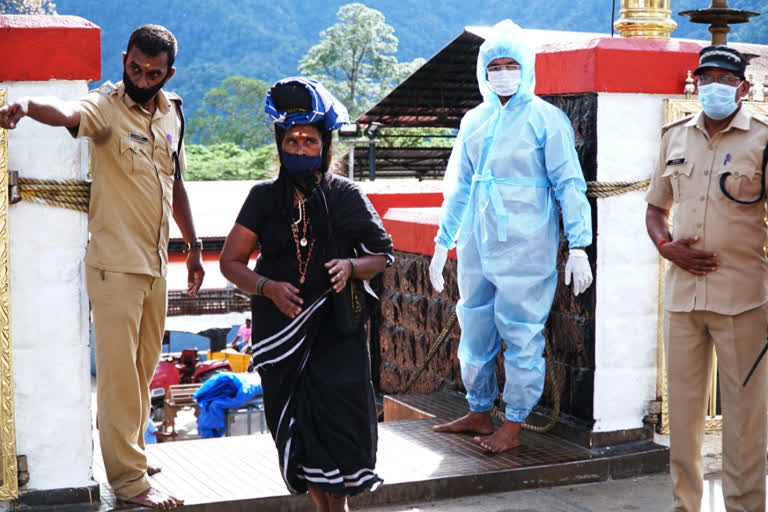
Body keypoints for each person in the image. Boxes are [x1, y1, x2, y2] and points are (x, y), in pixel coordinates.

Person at [0, 25, 204, 510]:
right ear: (123, 59)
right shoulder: (106, 107)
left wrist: (193, 245)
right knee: (116, 378)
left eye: (153, 73)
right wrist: (27, 108)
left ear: (168, 74)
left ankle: (134, 452)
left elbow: (174, 181)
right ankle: (131, 484)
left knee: (143, 369)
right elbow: (69, 112)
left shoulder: (172, 112)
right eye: (134, 68)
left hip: (156, 264)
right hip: (115, 266)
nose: (141, 78)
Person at [220, 77, 393, 512]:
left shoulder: (347, 196)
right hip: (282, 338)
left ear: (324, 144)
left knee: (341, 426)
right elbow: (231, 262)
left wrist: (351, 267)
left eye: (309, 139)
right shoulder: (262, 199)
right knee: (302, 432)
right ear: (280, 143)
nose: (300, 147)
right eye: (292, 139)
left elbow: (383, 256)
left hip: (337, 335)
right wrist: (268, 287)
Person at [428, 19, 593, 453]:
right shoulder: (474, 120)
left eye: (510, 64)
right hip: (478, 242)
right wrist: (443, 241)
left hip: (527, 242)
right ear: (483, 70)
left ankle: (514, 423)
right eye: (495, 65)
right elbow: (459, 184)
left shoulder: (546, 120)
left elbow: (568, 184)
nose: (502, 72)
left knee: (521, 332)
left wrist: (578, 244)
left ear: (526, 67)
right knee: (474, 322)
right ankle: (479, 408)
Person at [645, 45, 768, 512]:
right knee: (683, 417)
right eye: (706, 76)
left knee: (744, 419)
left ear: (743, 86)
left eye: (724, 77)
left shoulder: (762, 138)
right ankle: (685, 505)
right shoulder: (675, 137)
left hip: (742, 298)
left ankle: (744, 507)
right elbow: (656, 208)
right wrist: (664, 245)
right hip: (682, 300)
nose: (713, 84)